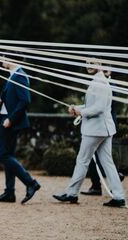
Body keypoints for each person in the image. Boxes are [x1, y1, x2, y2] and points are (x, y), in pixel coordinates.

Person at [53, 60, 126, 207]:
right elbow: (92, 106)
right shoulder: (99, 81)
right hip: (103, 129)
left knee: (82, 160)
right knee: (107, 162)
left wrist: (81, 112)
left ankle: (72, 194)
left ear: (100, 64)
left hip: (95, 130)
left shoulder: (99, 82)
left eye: (92, 62)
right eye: (87, 62)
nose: (89, 65)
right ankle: (119, 196)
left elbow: (98, 108)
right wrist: (77, 108)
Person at [0, 57, 40, 204]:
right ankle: (9, 192)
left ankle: (30, 182)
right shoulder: (14, 75)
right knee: (8, 155)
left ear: (11, 59)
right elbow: (14, 99)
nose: (1, 60)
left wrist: (11, 119)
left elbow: (25, 100)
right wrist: (0, 100)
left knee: (2, 155)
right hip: (7, 120)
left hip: (10, 122)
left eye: (4, 58)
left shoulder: (20, 75)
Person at [80, 67, 125, 196]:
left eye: (106, 71)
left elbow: (104, 106)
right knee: (98, 160)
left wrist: (83, 112)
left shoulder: (110, 84)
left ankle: (112, 182)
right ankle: (96, 186)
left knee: (99, 159)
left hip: (104, 126)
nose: (104, 73)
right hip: (94, 126)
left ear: (110, 72)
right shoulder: (95, 83)